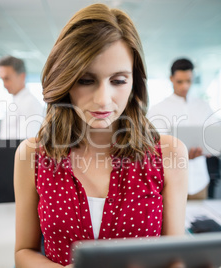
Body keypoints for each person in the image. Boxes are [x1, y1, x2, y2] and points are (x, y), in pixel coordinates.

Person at [14, 3, 188, 268]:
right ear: (66, 80)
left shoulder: (169, 154)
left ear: (134, 83)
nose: (103, 100)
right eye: (86, 80)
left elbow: (174, 258)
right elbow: (24, 251)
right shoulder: (33, 155)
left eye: (118, 81)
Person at [147, 59, 219, 199]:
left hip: (199, 182)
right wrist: (181, 154)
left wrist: (209, 147)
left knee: (199, 219)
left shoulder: (203, 106)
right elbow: (153, 146)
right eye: (180, 81)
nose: (185, 86)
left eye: (189, 81)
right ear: (171, 79)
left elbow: (216, 137)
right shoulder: (158, 109)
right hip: (170, 182)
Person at [0, 55, 45, 140]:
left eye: (7, 78)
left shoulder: (30, 104)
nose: (4, 84)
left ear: (22, 76)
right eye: (2, 79)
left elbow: (26, 144)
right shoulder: (17, 101)